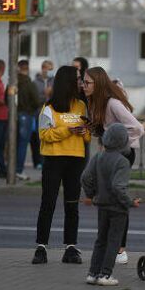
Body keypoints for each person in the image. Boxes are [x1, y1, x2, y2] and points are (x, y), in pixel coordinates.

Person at [83, 67, 144, 264]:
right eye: (83, 82)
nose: (83, 86)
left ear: (98, 84)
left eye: (87, 83)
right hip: (110, 153)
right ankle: (111, 245)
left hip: (123, 154)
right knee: (109, 199)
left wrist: (117, 142)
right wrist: (91, 128)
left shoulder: (113, 103)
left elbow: (137, 128)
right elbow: (104, 130)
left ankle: (120, 249)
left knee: (117, 199)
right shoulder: (95, 103)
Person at [32, 65, 90, 265]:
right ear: (67, 82)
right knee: (48, 203)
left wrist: (84, 132)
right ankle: (41, 248)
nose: (80, 82)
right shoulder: (48, 108)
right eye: (77, 79)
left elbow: (88, 135)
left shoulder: (81, 105)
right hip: (54, 159)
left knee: (72, 205)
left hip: (76, 159)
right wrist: (68, 130)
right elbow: (44, 135)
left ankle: (71, 247)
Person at [81, 123, 140, 286]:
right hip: (117, 208)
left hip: (102, 205)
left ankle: (92, 273)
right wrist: (130, 202)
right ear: (123, 142)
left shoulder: (98, 156)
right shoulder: (122, 162)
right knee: (114, 241)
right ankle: (105, 275)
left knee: (100, 240)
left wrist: (91, 194)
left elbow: (85, 178)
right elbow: (118, 187)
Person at [16, 59, 41, 180]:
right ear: (27, 69)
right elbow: (37, 101)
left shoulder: (13, 82)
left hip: (14, 116)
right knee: (22, 144)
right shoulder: (29, 84)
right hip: (27, 115)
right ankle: (19, 170)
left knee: (14, 143)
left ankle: (12, 169)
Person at [31, 60, 55, 169]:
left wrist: (52, 92)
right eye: (48, 69)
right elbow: (34, 99)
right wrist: (43, 95)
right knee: (39, 137)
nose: (50, 71)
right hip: (39, 112)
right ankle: (40, 161)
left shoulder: (54, 82)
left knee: (51, 136)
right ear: (43, 68)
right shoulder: (35, 82)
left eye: (51, 69)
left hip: (52, 112)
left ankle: (49, 159)